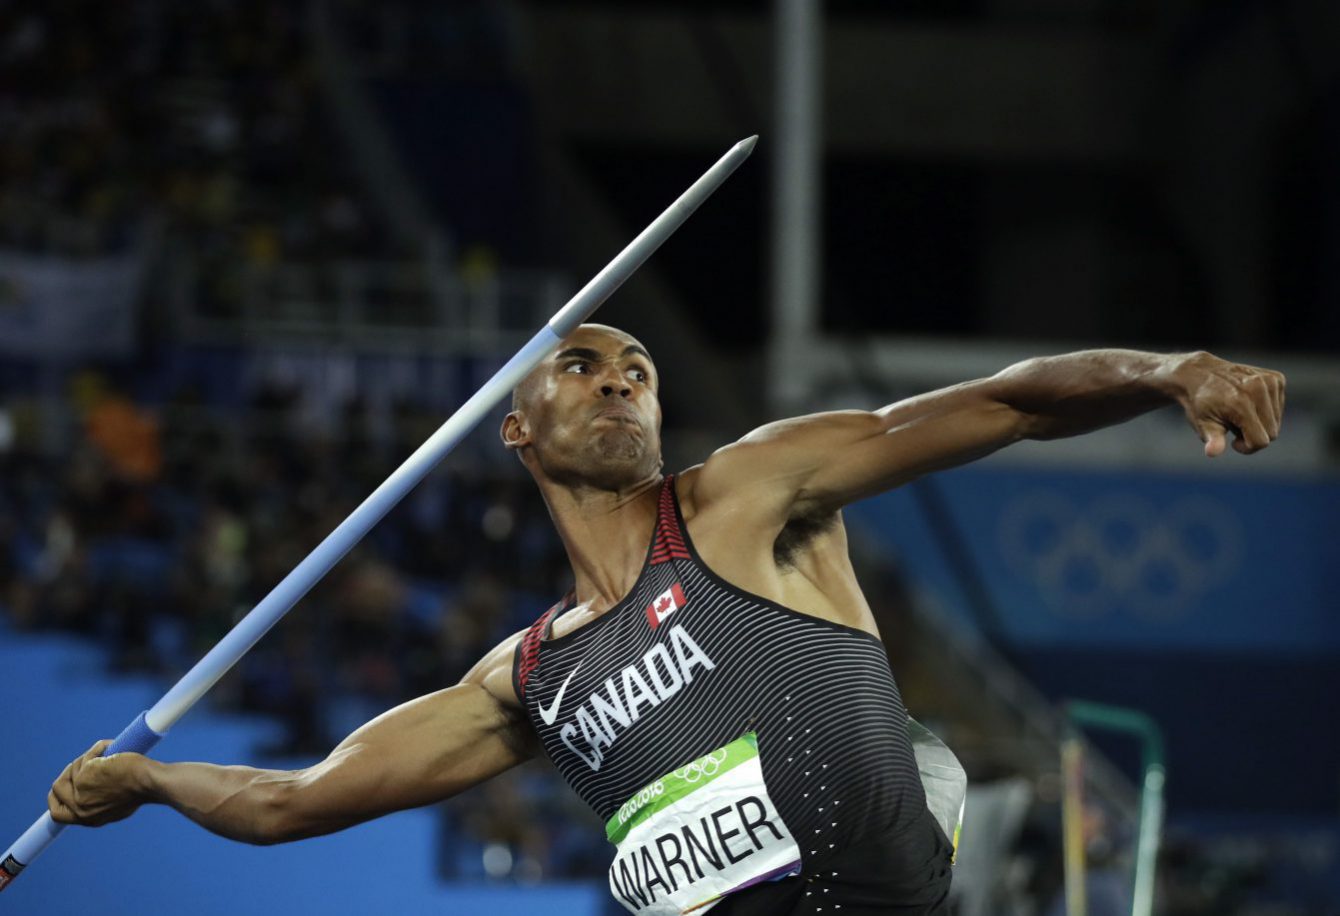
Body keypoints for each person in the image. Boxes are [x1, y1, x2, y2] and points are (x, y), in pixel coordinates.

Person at [47, 324, 1286, 915]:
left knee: (922, 771)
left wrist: (1165, 373)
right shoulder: (526, 677)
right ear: (516, 426)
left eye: (637, 367)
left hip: (883, 875)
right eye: (581, 365)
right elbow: (295, 801)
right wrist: (150, 781)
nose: (620, 378)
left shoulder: (744, 496)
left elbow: (1004, 406)